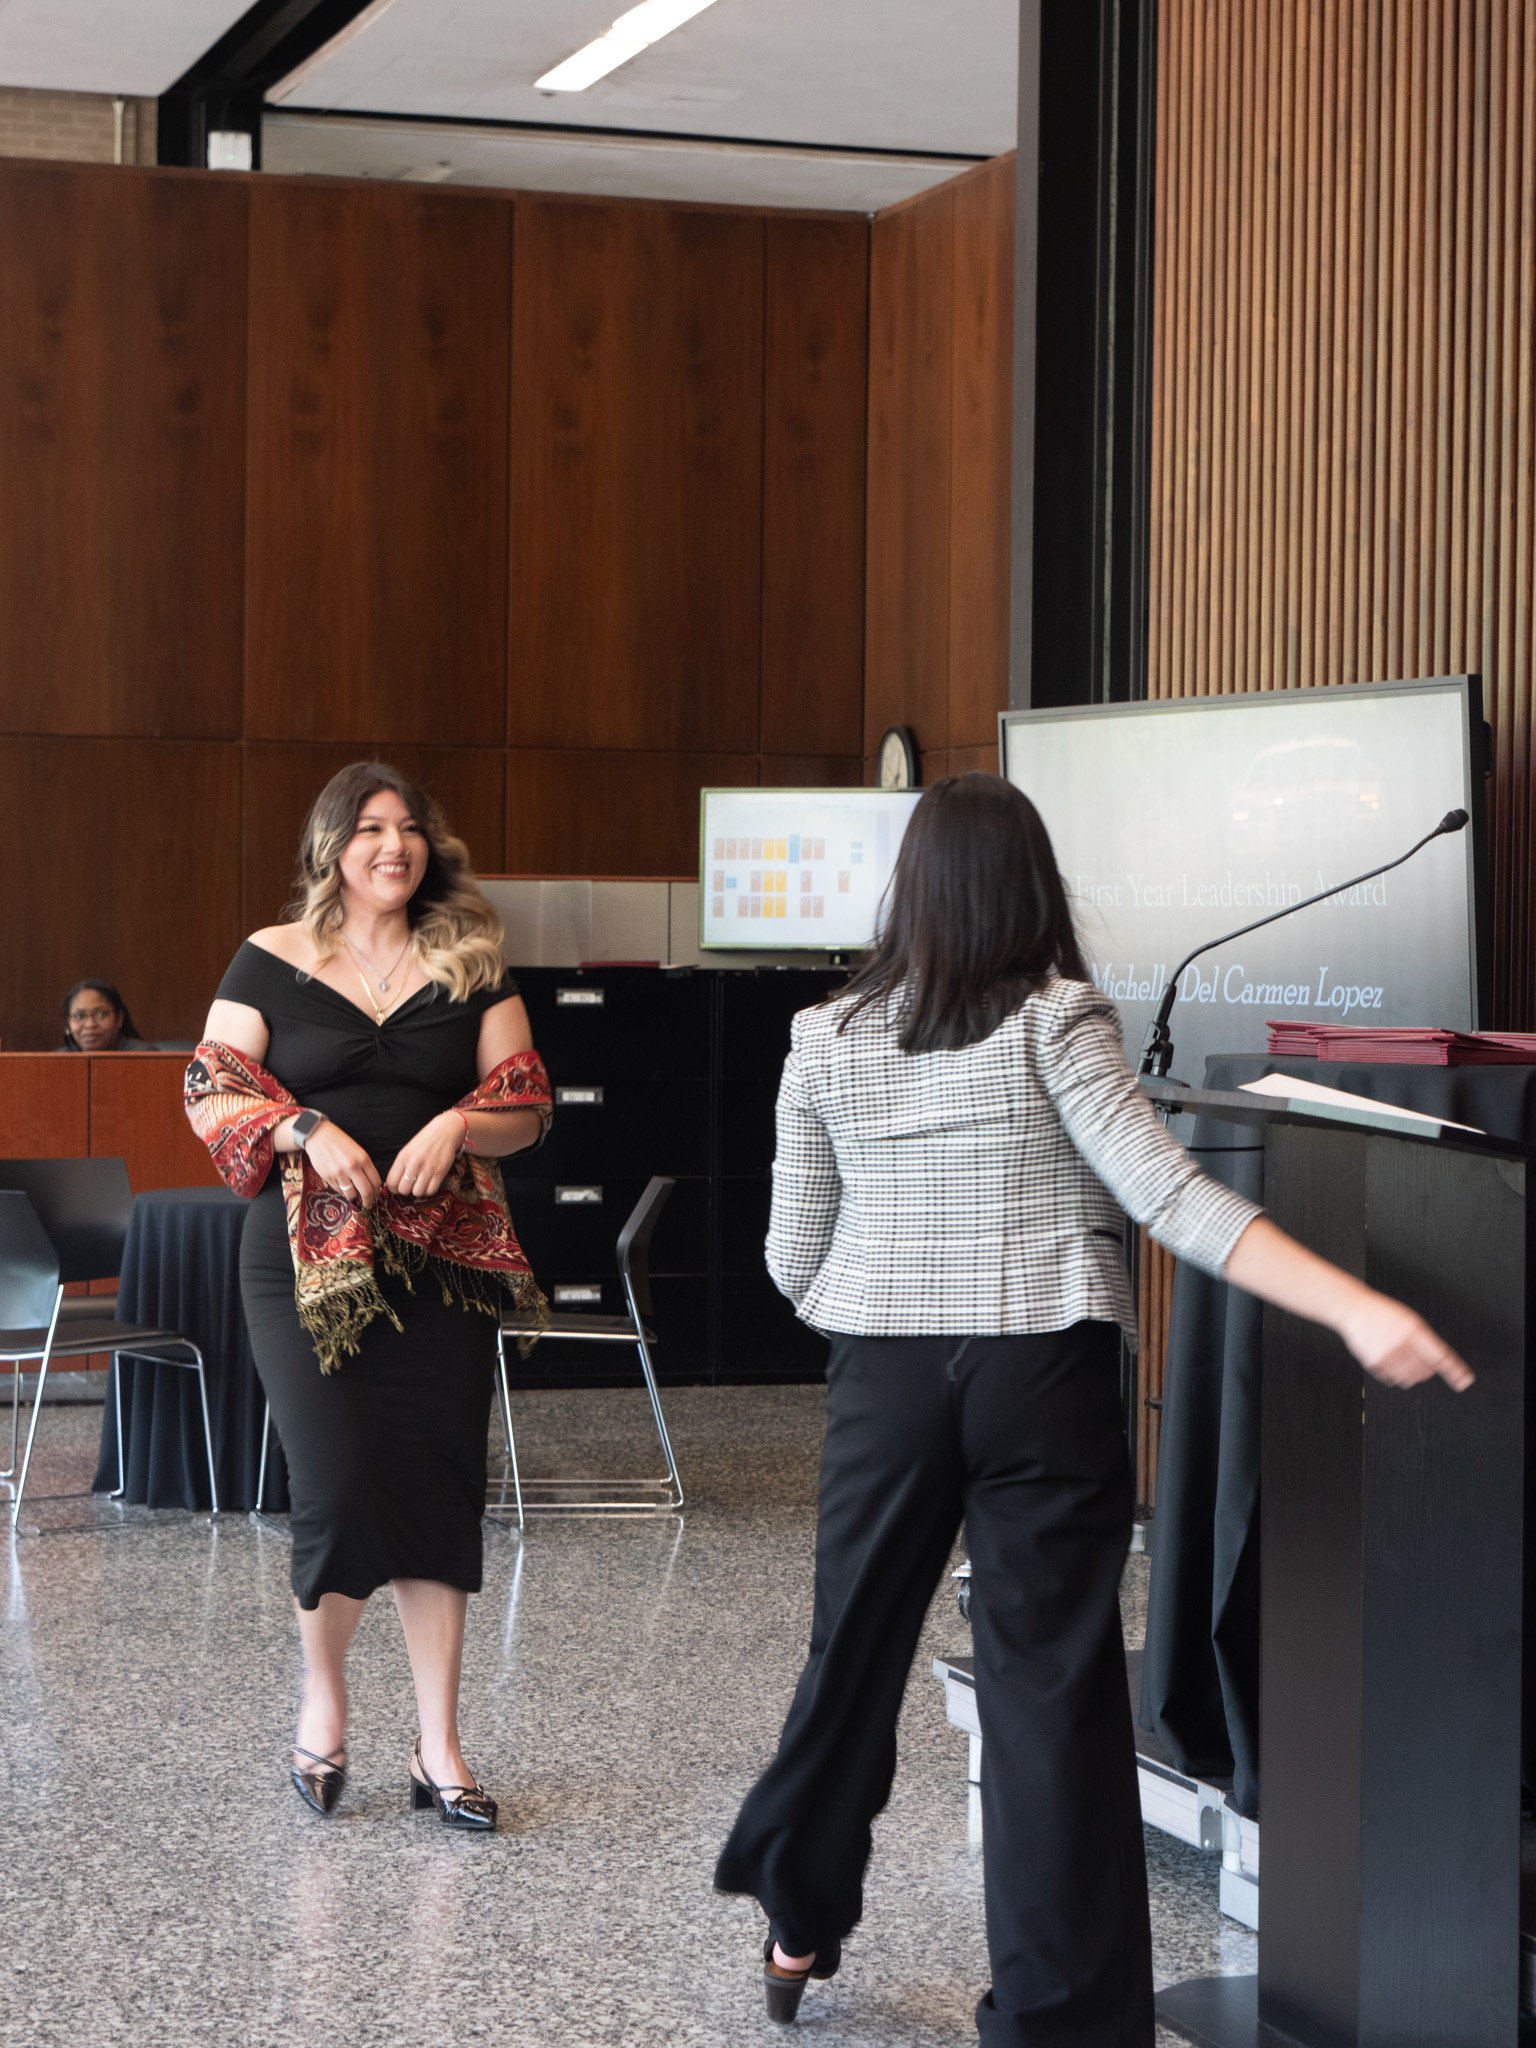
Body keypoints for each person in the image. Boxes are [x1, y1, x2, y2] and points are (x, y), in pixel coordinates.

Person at [714, 773, 1471, 2042]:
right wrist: (1346, 1301)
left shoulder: (824, 1036)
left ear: (910, 887)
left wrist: (886, 1301)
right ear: (1033, 884)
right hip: (1043, 1371)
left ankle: (798, 1915)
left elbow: (792, 1256)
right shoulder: (1059, 1017)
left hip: (887, 1377)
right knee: (1049, 1689)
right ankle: (1059, 2020)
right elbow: (1169, 1196)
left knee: (850, 1654)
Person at [185, 762, 553, 1832]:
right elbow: (212, 1086)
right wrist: (304, 1125)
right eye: (370, 828)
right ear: (331, 846)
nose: (394, 846)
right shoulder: (273, 955)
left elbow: (523, 1099)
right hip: (305, 1262)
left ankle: (439, 1744)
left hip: (442, 1262)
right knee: (339, 1481)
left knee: (439, 1486)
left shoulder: (472, 959)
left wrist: (457, 1125)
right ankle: (324, 1699)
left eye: (410, 829)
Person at [61, 979, 155, 1051]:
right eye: (79, 1016)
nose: (90, 1024)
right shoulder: (58, 1060)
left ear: (119, 1019)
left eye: (100, 1014)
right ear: (69, 1022)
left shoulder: (141, 1055)